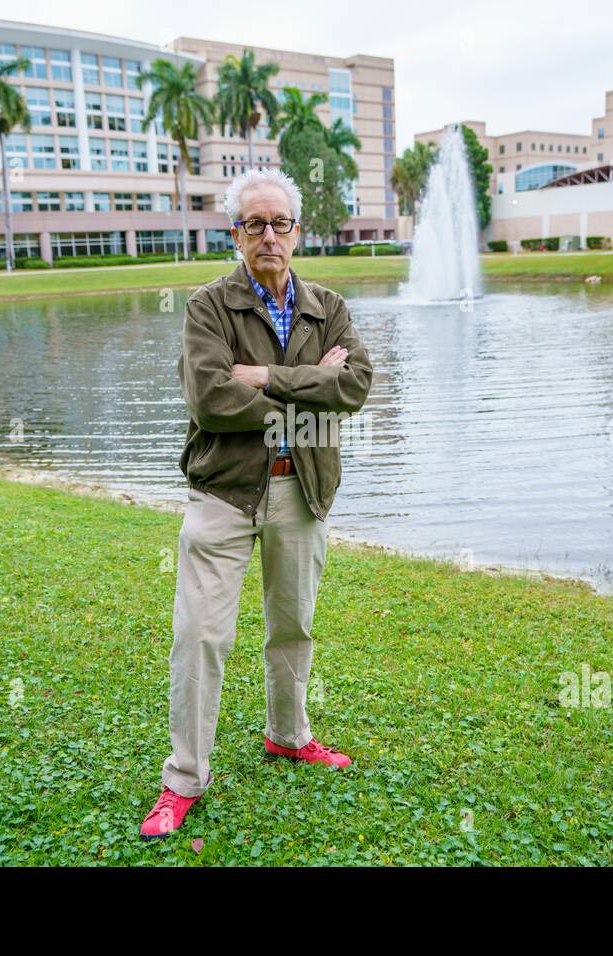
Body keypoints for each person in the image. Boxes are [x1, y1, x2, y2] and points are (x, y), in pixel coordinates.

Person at [139, 167, 375, 839]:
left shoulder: (327, 305)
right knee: (201, 635)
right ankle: (184, 778)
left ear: (297, 231)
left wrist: (268, 376)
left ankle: (288, 734)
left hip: (302, 490)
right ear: (234, 234)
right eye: (254, 224)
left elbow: (356, 385)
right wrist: (310, 388)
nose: (268, 235)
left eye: (280, 223)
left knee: (293, 626)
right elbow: (212, 400)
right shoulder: (207, 307)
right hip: (225, 492)